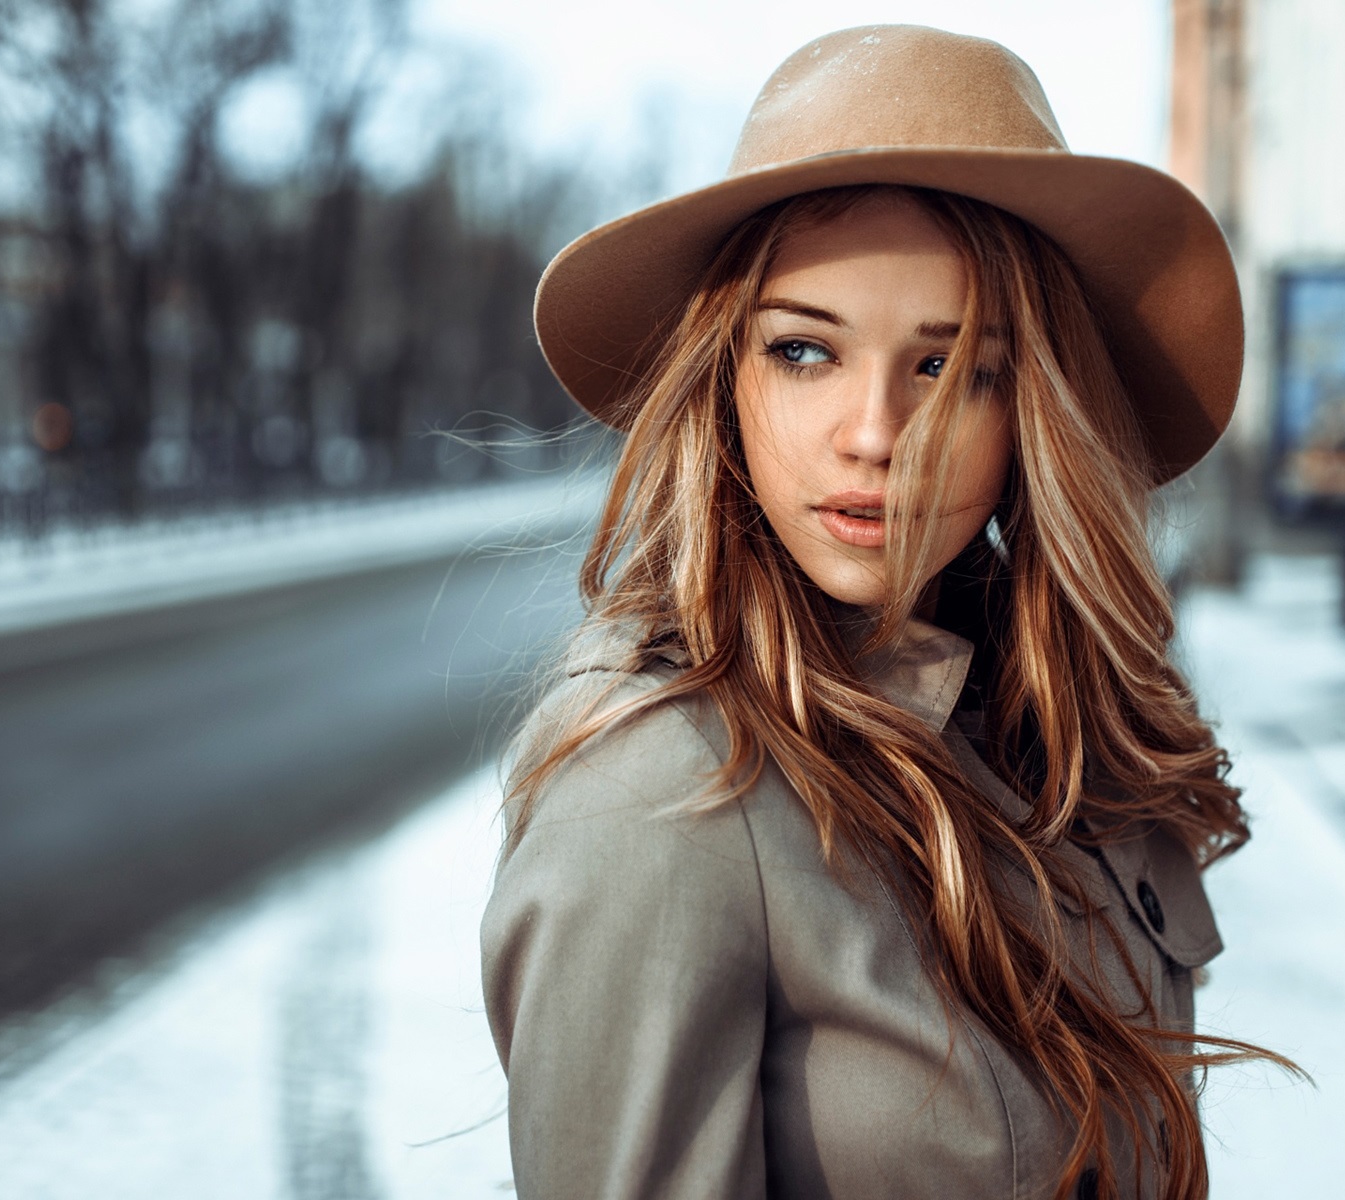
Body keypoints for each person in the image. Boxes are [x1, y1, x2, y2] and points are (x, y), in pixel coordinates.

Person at [481, 26, 1285, 1200]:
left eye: (956, 369)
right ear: (727, 380)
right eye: (805, 351)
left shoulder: (1060, 724)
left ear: (1037, 410)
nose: (873, 434)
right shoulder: (662, 787)